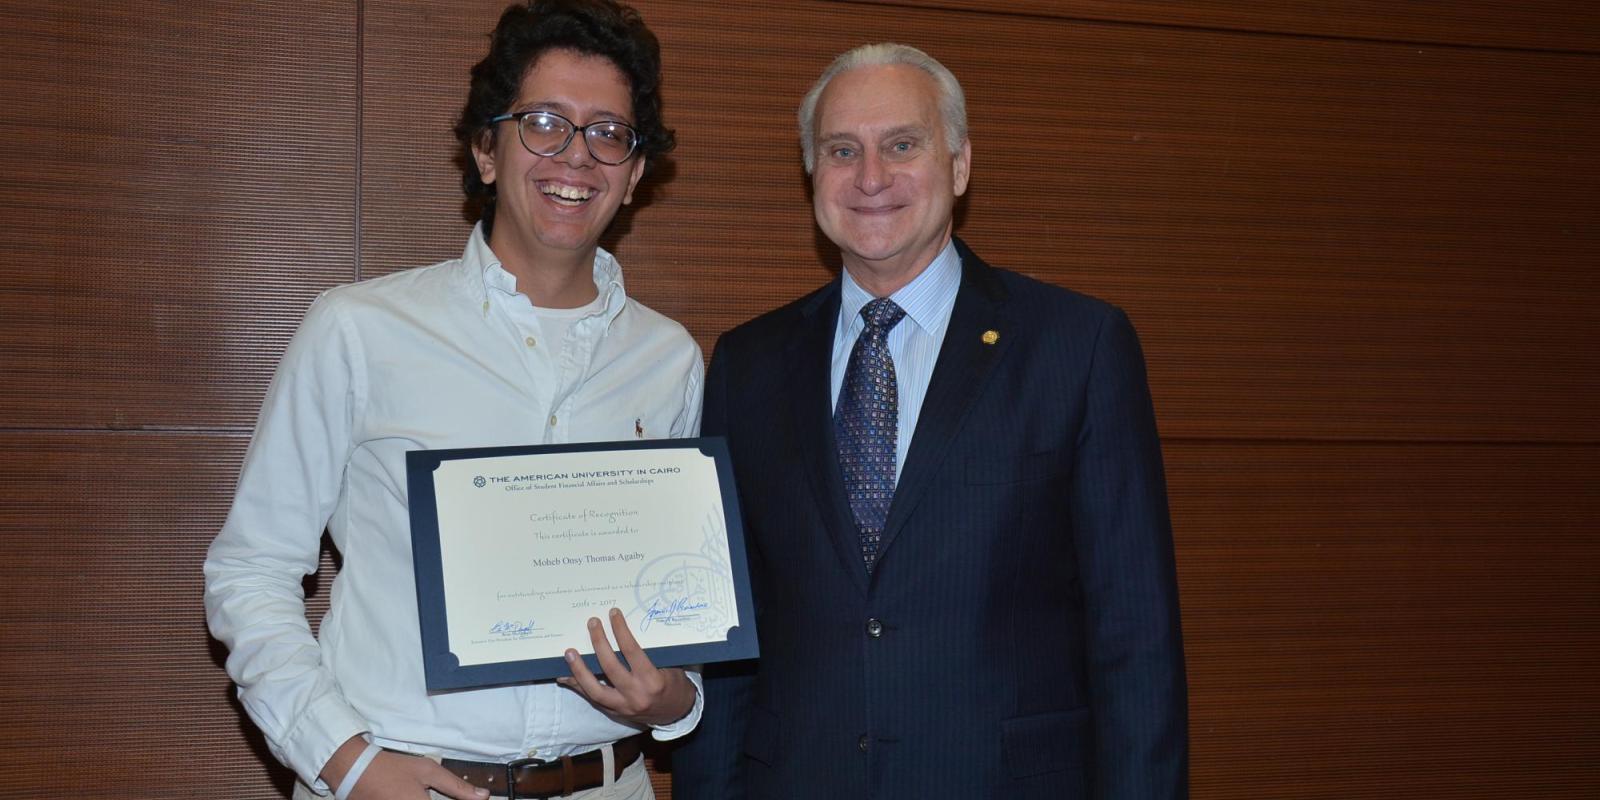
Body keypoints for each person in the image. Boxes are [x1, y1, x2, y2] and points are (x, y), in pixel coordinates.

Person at [204, 2, 701, 798]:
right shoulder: (360, 329)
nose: (576, 157)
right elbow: (249, 572)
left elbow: (683, 599)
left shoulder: (668, 359)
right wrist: (347, 763)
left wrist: (676, 699)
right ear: (486, 150)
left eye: (608, 133)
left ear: (635, 173)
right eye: (544, 123)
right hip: (402, 779)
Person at [672, 43, 1187, 798]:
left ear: (960, 165)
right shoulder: (748, 363)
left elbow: (1135, 638)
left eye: (902, 145)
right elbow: (730, 641)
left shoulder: (1077, 347)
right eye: (842, 150)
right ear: (813, 173)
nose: (871, 177)